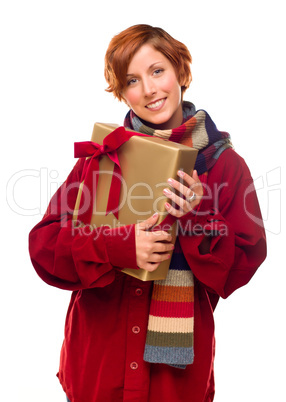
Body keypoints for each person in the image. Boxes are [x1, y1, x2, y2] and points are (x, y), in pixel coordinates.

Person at [29, 24, 267, 402]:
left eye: (158, 71)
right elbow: (44, 247)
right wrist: (119, 248)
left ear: (181, 72)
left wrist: (195, 217)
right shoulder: (103, 156)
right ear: (122, 93)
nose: (150, 90)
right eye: (132, 81)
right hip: (98, 366)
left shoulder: (224, 166)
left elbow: (242, 264)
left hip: (174, 382)